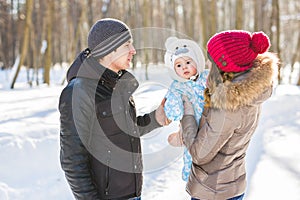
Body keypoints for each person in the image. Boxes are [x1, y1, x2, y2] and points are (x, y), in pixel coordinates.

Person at [58, 18, 170, 200]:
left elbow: (127, 130)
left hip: (133, 194)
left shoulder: (117, 84)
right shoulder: (79, 91)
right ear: (109, 48)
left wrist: (156, 118)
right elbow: (72, 160)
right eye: (127, 45)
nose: (133, 51)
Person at [180, 30, 279, 200]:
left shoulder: (228, 106)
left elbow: (200, 154)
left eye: (212, 62)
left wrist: (187, 115)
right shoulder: (249, 92)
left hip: (212, 191)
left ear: (224, 66)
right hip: (232, 185)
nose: (208, 67)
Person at [163, 37, 209, 182]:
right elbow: (172, 109)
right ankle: (191, 176)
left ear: (197, 61)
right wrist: (176, 107)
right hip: (192, 128)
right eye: (178, 65)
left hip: (210, 123)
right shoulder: (177, 87)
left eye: (188, 62)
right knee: (192, 152)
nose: (184, 67)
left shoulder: (206, 77)